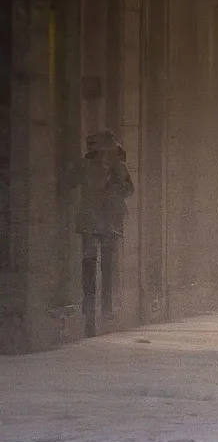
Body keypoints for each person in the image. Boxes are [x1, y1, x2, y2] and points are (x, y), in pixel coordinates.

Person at [68, 130, 134, 337]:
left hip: (106, 222)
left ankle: (104, 306)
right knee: (92, 265)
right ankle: (92, 308)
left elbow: (129, 189)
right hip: (94, 221)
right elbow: (70, 181)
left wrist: (117, 184)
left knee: (105, 264)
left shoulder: (115, 167)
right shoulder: (86, 165)